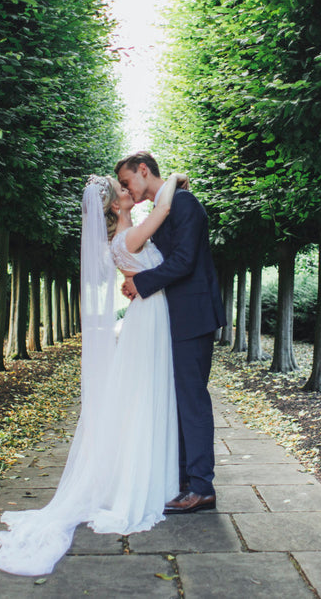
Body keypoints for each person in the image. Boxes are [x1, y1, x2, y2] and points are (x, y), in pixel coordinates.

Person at [0, 171, 188, 576]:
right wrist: (174, 177)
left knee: (143, 398)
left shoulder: (127, 234)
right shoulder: (126, 239)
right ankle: (147, 482)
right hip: (149, 319)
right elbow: (164, 207)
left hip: (148, 316)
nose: (129, 190)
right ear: (115, 206)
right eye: (122, 190)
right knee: (147, 396)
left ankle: (151, 475)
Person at [117, 151, 226, 515]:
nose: (126, 189)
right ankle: (183, 480)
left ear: (143, 171)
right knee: (179, 400)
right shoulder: (165, 207)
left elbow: (184, 262)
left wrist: (140, 283)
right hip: (173, 319)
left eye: (127, 180)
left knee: (192, 400)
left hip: (193, 317)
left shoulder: (185, 204)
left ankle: (201, 487)